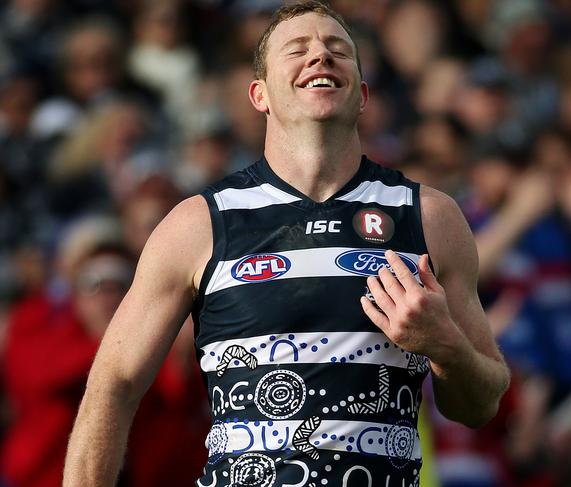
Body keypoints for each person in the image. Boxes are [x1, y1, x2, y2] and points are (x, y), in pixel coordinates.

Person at [63, 2, 510, 486]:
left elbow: (482, 402)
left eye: (338, 49)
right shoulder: (198, 224)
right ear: (260, 95)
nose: (320, 55)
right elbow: (113, 384)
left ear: (361, 94)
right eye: (297, 49)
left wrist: (444, 346)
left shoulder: (429, 217)